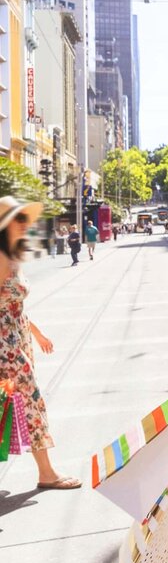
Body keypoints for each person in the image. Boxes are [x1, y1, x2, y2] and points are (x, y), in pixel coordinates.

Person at [0, 197, 82, 490]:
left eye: (26, 219)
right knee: (31, 402)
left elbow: (12, 305)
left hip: (16, 338)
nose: (26, 224)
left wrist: (36, 333)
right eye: (20, 219)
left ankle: (46, 472)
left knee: (13, 405)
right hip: (5, 346)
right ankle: (46, 473)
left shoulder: (12, 255)